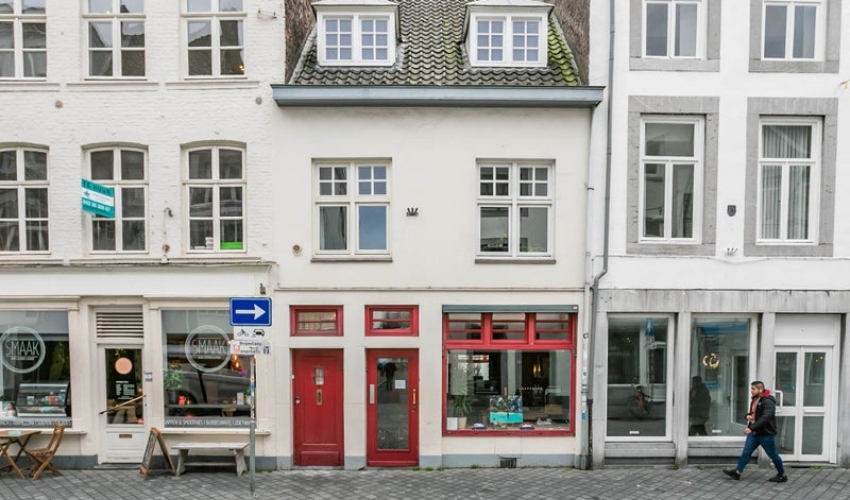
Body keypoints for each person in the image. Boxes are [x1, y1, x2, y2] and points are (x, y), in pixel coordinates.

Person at [723, 381, 787, 482]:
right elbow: (753, 413)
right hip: (754, 433)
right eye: (751, 388)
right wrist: (747, 416)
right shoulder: (755, 399)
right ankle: (737, 472)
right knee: (746, 452)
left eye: (753, 389)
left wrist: (751, 428)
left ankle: (782, 475)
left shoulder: (768, 401)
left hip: (765, 434)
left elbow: (766, 417)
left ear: (760, 390)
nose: (751, 391)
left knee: (773, 455)